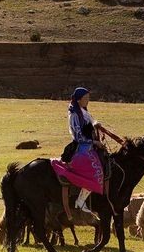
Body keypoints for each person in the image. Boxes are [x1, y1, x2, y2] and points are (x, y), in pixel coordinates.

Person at [52, 87, 122, 219]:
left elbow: (90, 123)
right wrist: (94, 143)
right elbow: (78, 135)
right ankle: (80, 200)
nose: (88, 101)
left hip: (89, 145)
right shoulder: (73, 114)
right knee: (96, 171)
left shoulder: (83, 111)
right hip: (82, 148)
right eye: (86, 98)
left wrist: (97, 124)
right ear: (79, 100)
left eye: (88, 98)